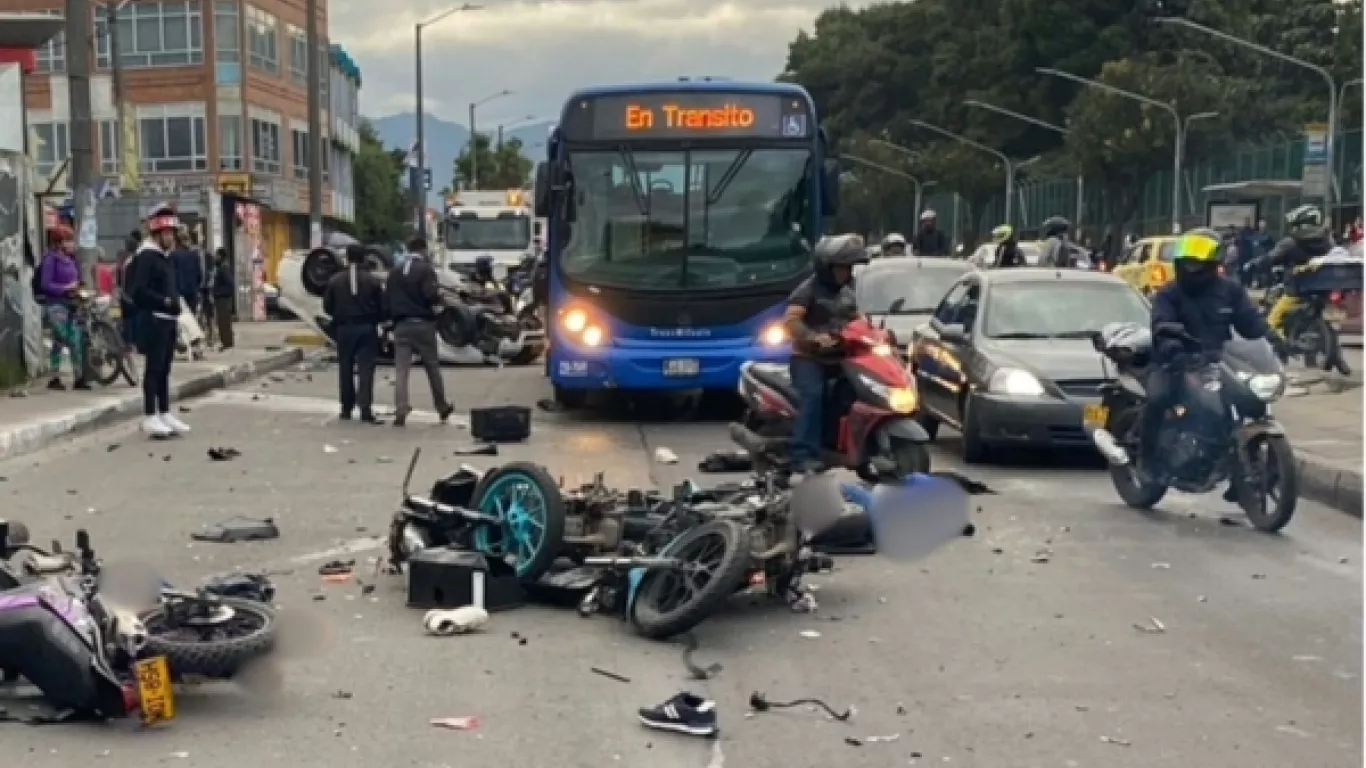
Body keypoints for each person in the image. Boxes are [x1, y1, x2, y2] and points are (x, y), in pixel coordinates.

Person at [1144, 227, 1271, 495]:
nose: (1192, 265)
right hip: (1175, 360)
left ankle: (1238, 475)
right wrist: (1173, 349)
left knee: (1243, 402)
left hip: (1219, 361)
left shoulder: (1230, 291)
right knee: (1158, 398)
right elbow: (1162, 324)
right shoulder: (1169, 293)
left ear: (1215, 260)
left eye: (1198, 258)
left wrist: (1274, 339)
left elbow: (1250, 323)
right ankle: (1147, 461)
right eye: (1188, 258)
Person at [782, 234, 867, 474]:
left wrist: (875, 334)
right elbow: (791, 321)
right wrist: (812, 338)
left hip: (841, 358)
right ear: (827, 267)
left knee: (857, 393)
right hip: (809, 359)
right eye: (842, 268)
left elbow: (857, 319)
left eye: (849, 268)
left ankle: (842, 448)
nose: (846, 273)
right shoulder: (808, 290)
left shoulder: (848, 290)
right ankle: (802, 454)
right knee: (813, 394)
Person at [124, 203, 189, 438]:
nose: (170, 238)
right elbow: (137, 291)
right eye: (166, 234)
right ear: (156, 234)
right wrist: (163, 302)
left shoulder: (166, 258)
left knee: (165, 370)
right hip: (153, 320)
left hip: (169, 320)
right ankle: (150, 415)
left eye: (172, 234)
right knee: (153, 369)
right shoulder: (147, 257)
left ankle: (164, 411)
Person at [385, 236, 454, 427]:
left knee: (401, 371)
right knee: (432, 367)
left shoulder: (395, 271)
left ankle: (401, 409)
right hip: (423, 324)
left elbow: (387, 297)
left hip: (401, 326)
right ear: (422, 250)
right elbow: (430, 295)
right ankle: (441, 407)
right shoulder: (426, 270)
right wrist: (441, 303)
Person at [324, 244, 386, 424]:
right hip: (366, 328)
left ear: (347, 258)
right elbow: (383, 307)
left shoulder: (335, 280)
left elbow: (327, 306)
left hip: (344, 328)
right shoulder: (373, 281)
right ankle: (365, 408)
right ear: (364, 258)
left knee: (345, 367)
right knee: (366, 368)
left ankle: (346, 408)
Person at [1263, 204, 1336, 340]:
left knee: (1272, 319)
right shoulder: (1328, 240)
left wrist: (1256, 263)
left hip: (1297, 288)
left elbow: (1271, 257)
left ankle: (1280, 344)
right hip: (1323, 289)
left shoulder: (1291, 241)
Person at [39, 224, 88, 390]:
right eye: (68, 241)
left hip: (72, 303)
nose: (72, 244)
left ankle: (73, 378)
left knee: (65, 341)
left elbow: (79, 278)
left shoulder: (72, 260)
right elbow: (45, 284)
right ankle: (65, 377)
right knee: (67, 338)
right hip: (56, 305)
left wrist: (80, 286)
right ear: (58, 243)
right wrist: (65, 288)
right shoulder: (50, 259)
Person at [169, 229, 203, 316]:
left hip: (179, 294)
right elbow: (199, 275)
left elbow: (171, 275)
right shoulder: (195, 256)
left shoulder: (173, 256)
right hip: (192, 293)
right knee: (191, 320)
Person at [210, 248, 236, 350]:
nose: (215, 258)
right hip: (221, 299)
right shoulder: (221, 268)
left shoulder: (223, 269)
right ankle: (226, 342)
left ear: (221, 256)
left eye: (216, 255)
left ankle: (227, 343)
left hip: (223, 300)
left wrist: (218, 293)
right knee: (222, 321)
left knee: (224, 321)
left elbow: (230, 285)